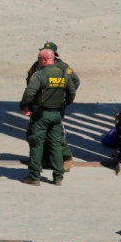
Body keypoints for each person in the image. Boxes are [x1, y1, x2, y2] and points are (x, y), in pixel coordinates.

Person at [20, 48, 76, 186]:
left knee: (36, 144)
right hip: (56, 114)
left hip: (41, 115)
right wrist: (65, 103)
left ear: (44, 60)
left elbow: (29, 92)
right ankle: (58, 177)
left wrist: (24, 106)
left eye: (39, 58)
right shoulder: (63, 74)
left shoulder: (40, 75)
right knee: (56, 144)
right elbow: (72, 91)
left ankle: (34, 176)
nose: (38, 61)